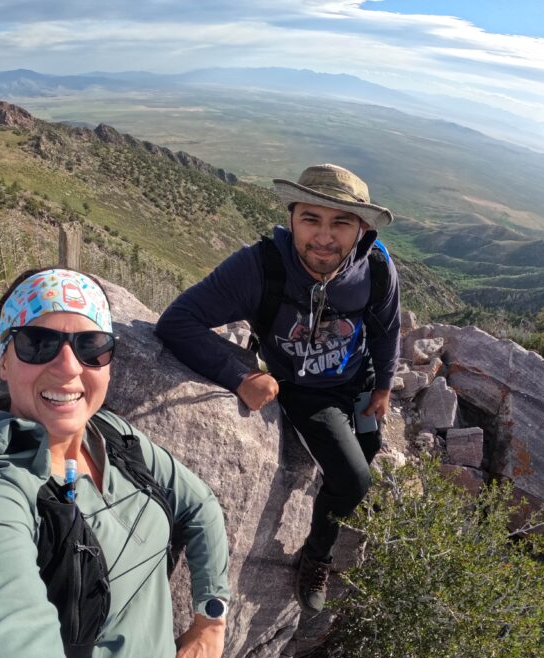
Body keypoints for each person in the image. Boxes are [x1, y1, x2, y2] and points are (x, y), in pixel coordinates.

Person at [0, 267, 231, 658]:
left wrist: (211, 620)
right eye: (37, 343)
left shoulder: (113, 438)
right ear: (4, 359)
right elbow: (7, 630)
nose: (69, 367)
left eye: (91, 345)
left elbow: (200, 506)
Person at [156, 164, 400, 615]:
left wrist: (383, 384)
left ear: (361, 229)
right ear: (292, 218)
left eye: (341, 222)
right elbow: (177, 322)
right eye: (312, 218)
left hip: (361, 380)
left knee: (366, 451)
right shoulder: (259, 267)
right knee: (354, 480)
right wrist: (240, 377)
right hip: (308, 391)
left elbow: (387, 329)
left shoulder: (377, 267)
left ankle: (342, 496)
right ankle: (318, 555)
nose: (324, 237)